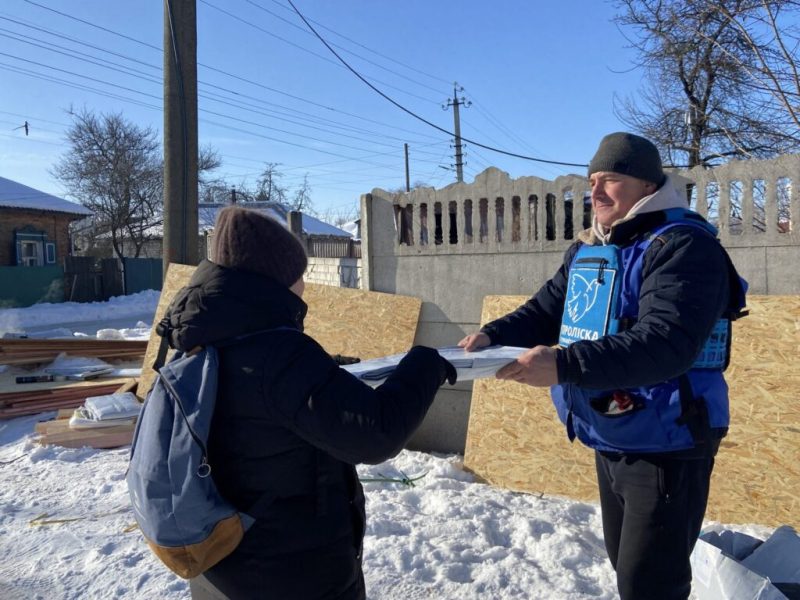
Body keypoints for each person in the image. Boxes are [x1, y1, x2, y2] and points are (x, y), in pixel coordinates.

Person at [460, 132, 747, 600]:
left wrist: (563, 365)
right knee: (626, 567)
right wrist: (493, 335)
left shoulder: (683, 248)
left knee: (650, 583)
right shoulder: (591, 248)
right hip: (613, 430)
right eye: (592, 180)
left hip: (668, 441)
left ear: (647, 186)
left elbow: (666, 343)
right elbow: (546, 309)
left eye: (610, 180)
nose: (594, 192)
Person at [158, 206, 456, 600]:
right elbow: (376, 434)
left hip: (223, 563)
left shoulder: (203, 334)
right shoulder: (279, 353)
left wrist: (331, 371)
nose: (304, 286)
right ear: (275, 279)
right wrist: (424, 364)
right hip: (293, 571)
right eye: (298, 275)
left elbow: (264, 400)